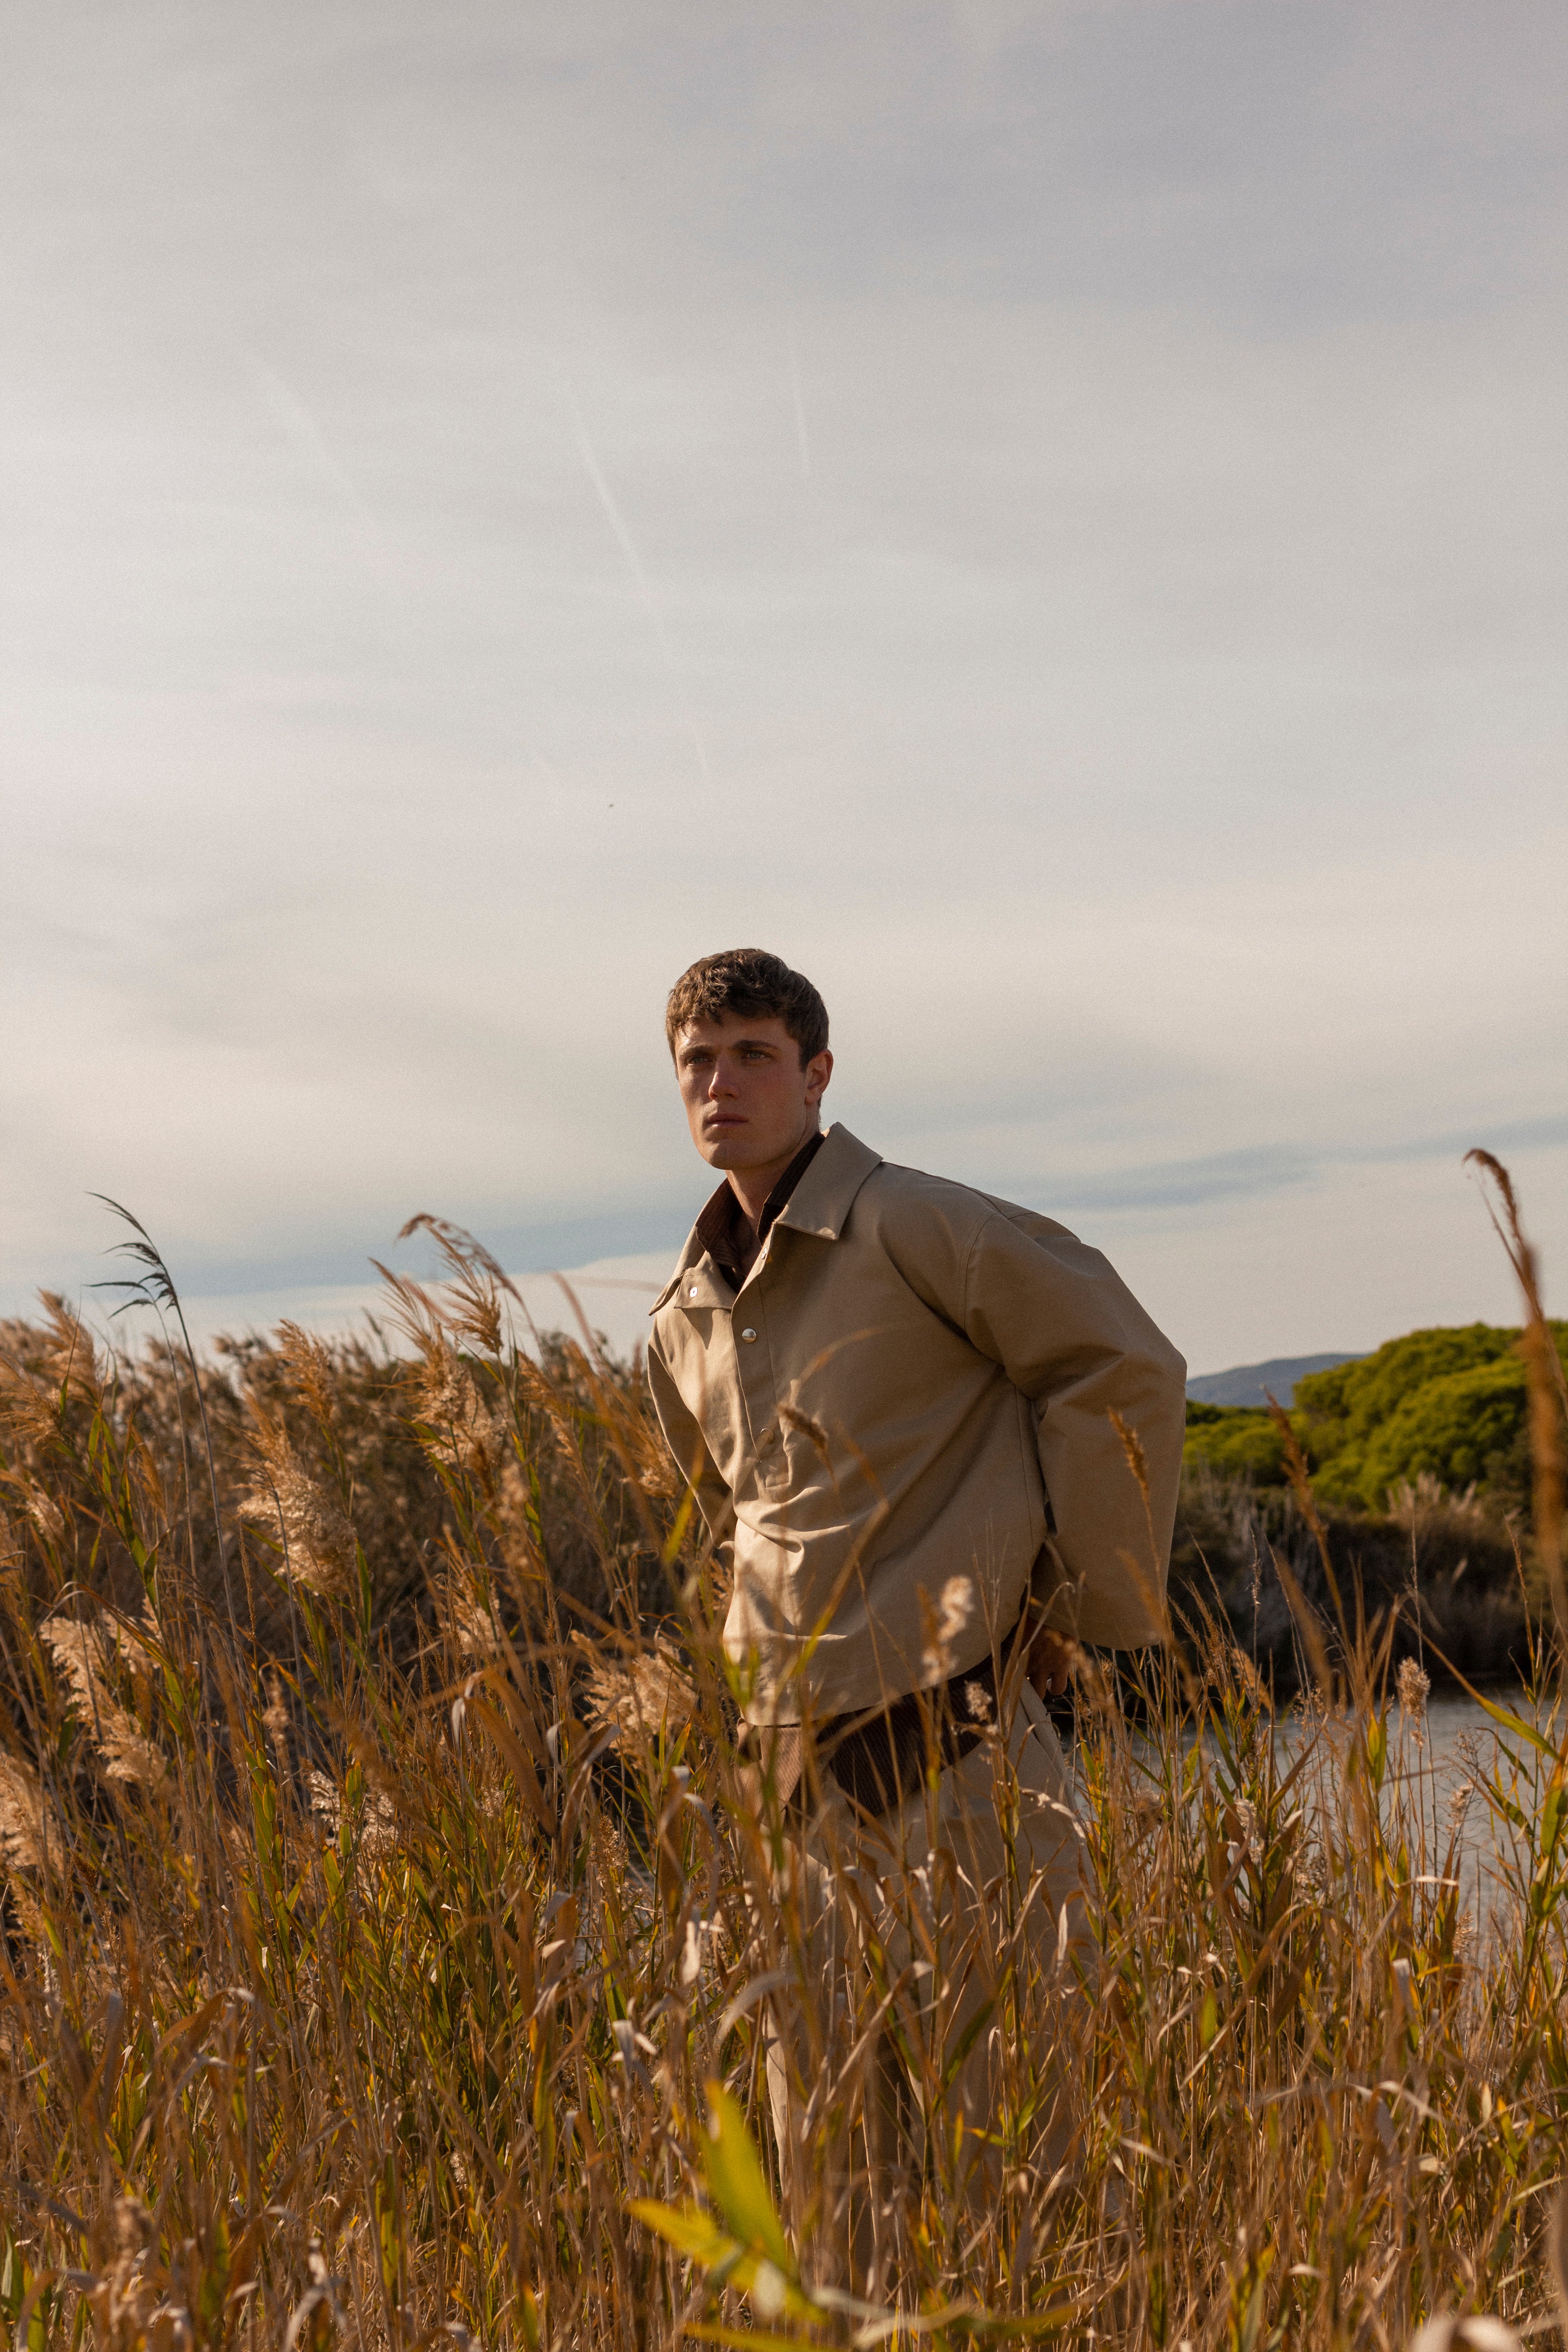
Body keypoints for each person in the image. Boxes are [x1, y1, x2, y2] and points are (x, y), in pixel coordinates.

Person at [645, 947, 1186, 2282]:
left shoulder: (918, 1224)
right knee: (830, 2195)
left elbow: (1119, 1363)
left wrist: (1073, 1606)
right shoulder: (682, 1316)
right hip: (793, 1797)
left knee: (1026, 2173)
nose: (722, 1085)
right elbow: (721, 1526)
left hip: (965, 1763)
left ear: (817, 1073)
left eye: (754, 1055)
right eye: (699, 1062)